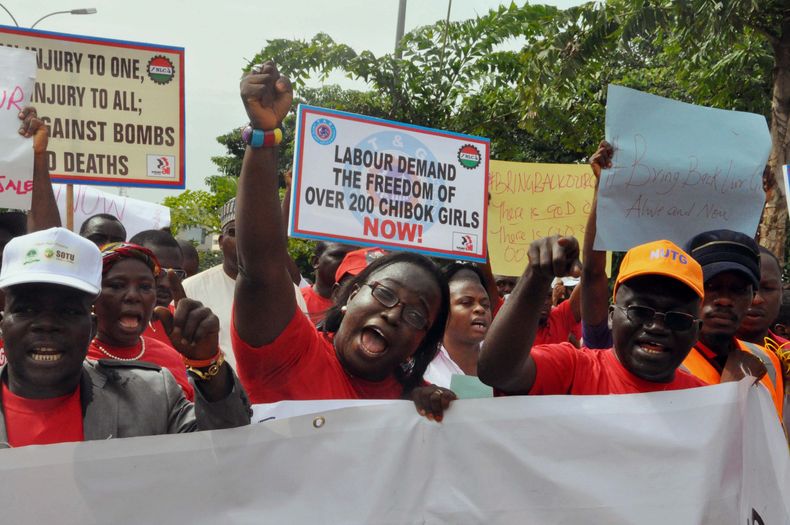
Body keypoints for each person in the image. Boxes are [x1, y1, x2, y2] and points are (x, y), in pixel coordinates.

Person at [232, 61, 454, 420]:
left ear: (421, 342)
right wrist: (264, 135)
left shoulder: (419, 403)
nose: (394, 314)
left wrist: (438, 418)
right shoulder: (291, 354)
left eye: (415, 315)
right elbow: (260, 269)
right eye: (384, 294)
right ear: (351, 296)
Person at [0, 227, 250, 447]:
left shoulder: (153, 396)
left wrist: (207, 365)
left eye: (68, 311)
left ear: (92, 327)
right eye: (26, 310)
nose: (46, 325)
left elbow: (229, 451)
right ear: (3, 323)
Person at [479, 236, 707, 395]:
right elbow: (498, 372)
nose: (657, 326)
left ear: (696, 331)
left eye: (677, 317)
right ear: (611, 316)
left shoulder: (710, 404)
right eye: (640, 311)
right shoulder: (573, 370)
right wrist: (536, 276)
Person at [182, 197, 308, 370]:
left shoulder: (289, 292)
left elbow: (302, 350)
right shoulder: (190, 288)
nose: (243, 240)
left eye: (252, 233)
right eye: (234, 233)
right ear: (221, 241)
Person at [683, 230, 784, 418]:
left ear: (752, 297)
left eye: (737, 289)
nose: (724, 301)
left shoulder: (768, 361)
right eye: (711, 286)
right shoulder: (664, 362)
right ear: (688, 289)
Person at [88, 242, 195, 400]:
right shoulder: (77, 358)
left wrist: (205, 361)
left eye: (145, 287)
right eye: (117, 286)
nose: (133, 296)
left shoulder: (170, 357)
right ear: (94, 294)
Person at [424, 263, 492, 389]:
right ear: (441, 310)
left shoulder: (502, 359)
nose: (480, 309)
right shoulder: (420, 366)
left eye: (485, 304)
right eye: (466, 302)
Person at [300, 241, 356, 323]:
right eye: (339, 255)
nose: (347, 261)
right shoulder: (295, 301)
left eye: (352, 257)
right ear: (316, 262)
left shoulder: (360, 305)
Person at [129, 229, 185, 308]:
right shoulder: (108, 317)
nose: (166, 284)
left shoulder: (177, 317)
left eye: (176, 274)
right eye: (155, 271)